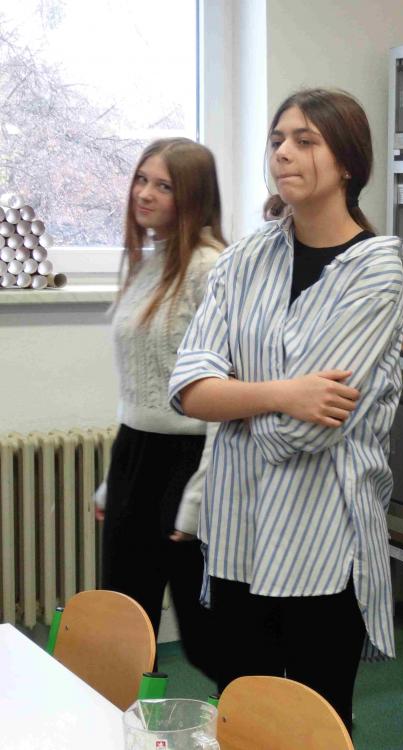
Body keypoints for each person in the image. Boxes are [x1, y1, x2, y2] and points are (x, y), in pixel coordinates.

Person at [167, 88, 403, 734]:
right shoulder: (246, 259)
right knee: (243, 717)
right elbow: (189, 386)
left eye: (305, 141)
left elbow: (303, 431)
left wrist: (237, 397)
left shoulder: (375, 272)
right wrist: (281, 392)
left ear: (348, 162)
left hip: (321, 543)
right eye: (277, 140)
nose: (283, 154)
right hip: (238, 534)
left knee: (313, 726)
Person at [98, 138, 226, 681]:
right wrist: (115, 480)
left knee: (209, 639)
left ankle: (259, 717)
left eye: (163, 186)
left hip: (190, 462)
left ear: (192, 196)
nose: (144, 194)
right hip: (135, 454)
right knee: (125, 627)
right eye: (141, 179)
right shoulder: (148, 262)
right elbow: (138, 384)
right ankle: (131, 724)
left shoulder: (211, 267)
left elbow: (226, 391)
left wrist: (195, 499)